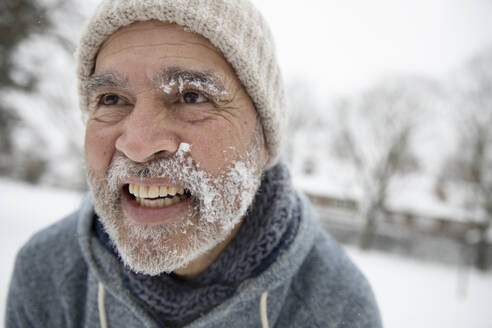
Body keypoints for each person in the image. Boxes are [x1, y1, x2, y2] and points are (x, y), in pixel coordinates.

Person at [6, 1, 382, 327]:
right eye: (111, 99)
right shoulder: (46, 274)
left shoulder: (335, 310)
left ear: (263, 139)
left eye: (192, 95)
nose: (137, 145)